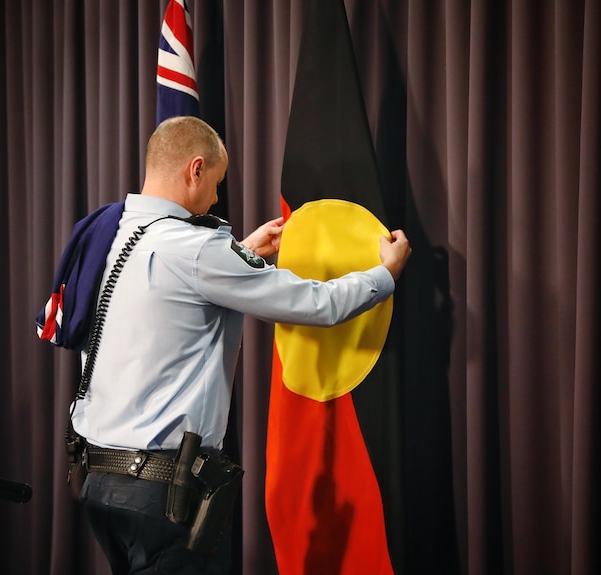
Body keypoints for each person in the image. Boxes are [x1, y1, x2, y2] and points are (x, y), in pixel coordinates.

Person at [64, 115, 411, 574]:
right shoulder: (196, 247)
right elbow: (314, 304)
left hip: (97, 482)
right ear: (196, 169)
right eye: (217, 182)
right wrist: (384, 275)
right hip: (163, 494)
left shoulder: (105, 235)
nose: (215, 197)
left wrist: (242, 253)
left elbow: (168, 297)